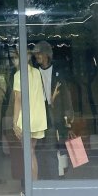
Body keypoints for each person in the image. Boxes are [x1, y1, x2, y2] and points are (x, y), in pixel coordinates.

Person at [32, 40, 74, 180]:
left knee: (52, 150)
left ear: (47, 55)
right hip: (39, 115)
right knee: (38, 150)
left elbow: (66, 97)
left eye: (39, 53)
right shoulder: (34, 72)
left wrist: (68, 120)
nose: (37, 56)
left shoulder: (58, 72)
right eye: (36, 54)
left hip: (54, 117)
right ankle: (40, 180)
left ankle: (54, 181)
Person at [12, 48, 47, 179]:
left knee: (28, 153)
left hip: (26, 119)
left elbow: (18, 99)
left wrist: (14, 122)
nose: (14, 61)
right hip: (38, 119)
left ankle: (31, 185)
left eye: (15, 58)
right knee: (32, 152)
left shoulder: (18, 75)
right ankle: (34, 184)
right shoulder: (37, 72)